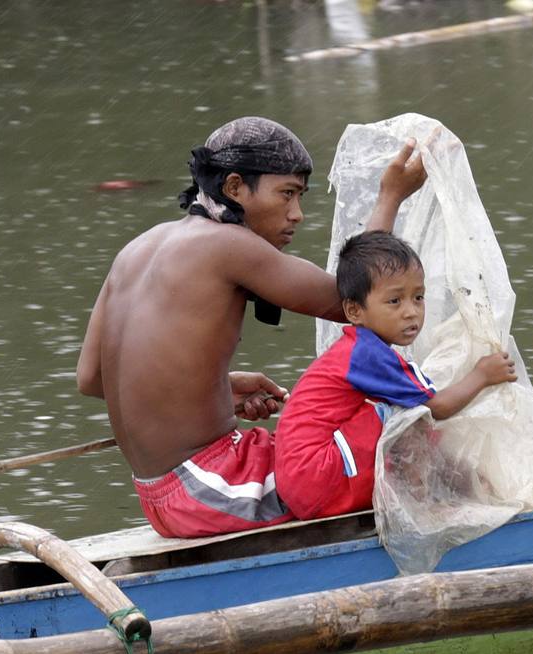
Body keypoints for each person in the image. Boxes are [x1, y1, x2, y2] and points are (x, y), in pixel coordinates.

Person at [76, 117, 426, 539]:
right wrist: (390, 196)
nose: (297, 214)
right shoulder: (228, 245)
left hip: (162, 496)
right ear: (236, 188)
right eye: (287, 194)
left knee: (331, 434)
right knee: (408, 412)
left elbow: (93, 379)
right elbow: (355, 303)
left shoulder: (135, 250)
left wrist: (211, 389)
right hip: (210, 488)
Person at [274, 230, 516, 520]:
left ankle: (456, 486)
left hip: (305, 483)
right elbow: (437, 407)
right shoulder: (368, 355)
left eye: (418, 297)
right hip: (318, 480)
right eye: (395, 301)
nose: (411, 312)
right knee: (408, 416)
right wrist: (482, 375)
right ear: (354, 310)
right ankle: (429, 499)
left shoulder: (361, 350)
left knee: (409, 412)